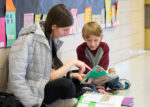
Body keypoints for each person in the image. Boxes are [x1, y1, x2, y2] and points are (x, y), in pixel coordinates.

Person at [7, 4, 91, 107]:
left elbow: (50, 73)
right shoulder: (26, 40)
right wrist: (32, 103)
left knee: (78, 80)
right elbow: (16, 80)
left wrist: (72, 75)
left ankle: (76, 97)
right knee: (67, 86)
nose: (67, 33)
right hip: (33, 93)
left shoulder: (53, 40)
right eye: (65, 29)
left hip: (44, 85)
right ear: (54, 26)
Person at [76, 21, 131, 94]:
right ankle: (99, 86)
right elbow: (88, 70)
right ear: (83, 37)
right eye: (89, 40)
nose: (92, 44)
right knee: (87, 88)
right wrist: (100, 88)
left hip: (102, 76)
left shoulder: (104, 47)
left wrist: (100, 87)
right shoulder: (80, 49)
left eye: (96, 40)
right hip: (89, 77)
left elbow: (102, 70)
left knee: (113, 80)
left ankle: (118, 84)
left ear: (101, 37)